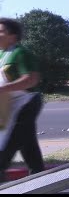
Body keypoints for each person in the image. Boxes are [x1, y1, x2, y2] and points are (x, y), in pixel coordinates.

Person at [0, 18, 45, 181]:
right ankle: (41, 179)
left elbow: (32, 79)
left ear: (13, 36)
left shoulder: (21, 53)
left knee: (7, 144)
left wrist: (3, 89)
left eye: (1, 31)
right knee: (28, 144)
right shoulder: (2, 53)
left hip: (27, 103)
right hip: (11, 105)